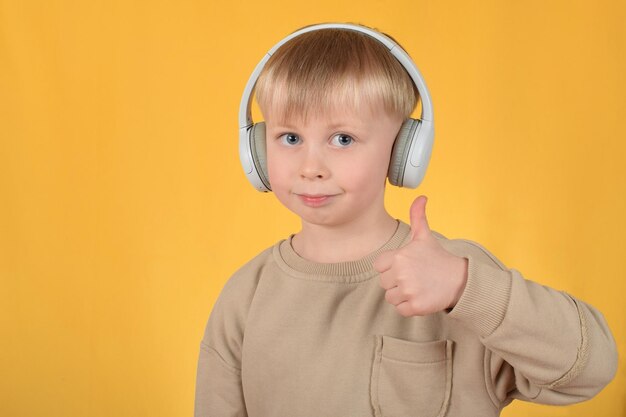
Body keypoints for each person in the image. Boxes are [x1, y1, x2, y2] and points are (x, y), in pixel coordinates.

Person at [194, 23, 617, 417]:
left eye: (343, 139)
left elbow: (591, 368)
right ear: (257, 148)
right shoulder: (246, 295)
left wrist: (465, 288)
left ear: (404, 150)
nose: (311, 167)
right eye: (290, 138)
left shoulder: (457, 279)